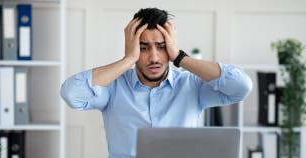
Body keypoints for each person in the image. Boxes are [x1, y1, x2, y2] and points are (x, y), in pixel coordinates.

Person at [60, 8, 252, 158]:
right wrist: (128, 60)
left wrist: (179, 57)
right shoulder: (113, 87)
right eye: (143, 48)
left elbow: (241, 86)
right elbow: (71, 94)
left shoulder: (191, 86)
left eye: (161, 47)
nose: (154, 57)